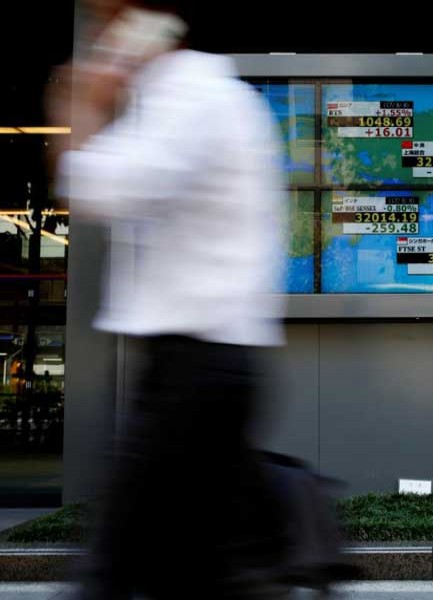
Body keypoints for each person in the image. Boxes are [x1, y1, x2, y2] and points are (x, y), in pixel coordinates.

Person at [49, 0, 288, 597]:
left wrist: (77, 105)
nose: (99, 38)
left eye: (106, 22)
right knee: (197, 571)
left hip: (194, 369)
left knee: (116, 565)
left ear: (145, 23)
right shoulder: (197, 98)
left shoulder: (192, 98)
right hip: (203, 366)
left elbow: (102, 187)